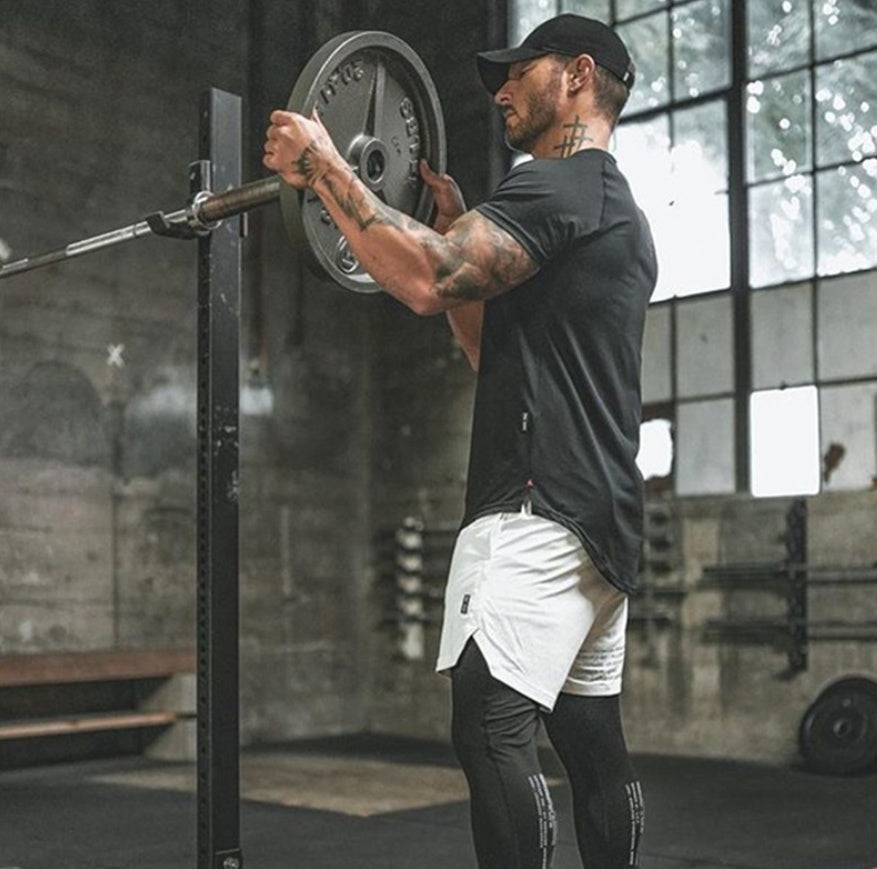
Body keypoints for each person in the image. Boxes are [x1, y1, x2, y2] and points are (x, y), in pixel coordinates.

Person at [264, 13, 656, 869]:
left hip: (535, 508)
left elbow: (424, 277)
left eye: (520, 71)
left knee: (489, 725)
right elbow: (485, 340)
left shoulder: (554, 184)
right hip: (605, 524)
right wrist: (449, 224)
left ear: (579, 75)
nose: (501, 89)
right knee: (590, 739)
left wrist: (324, 166)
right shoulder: (611, 209)